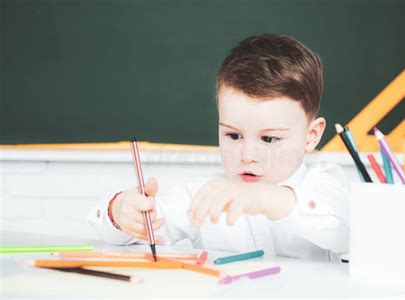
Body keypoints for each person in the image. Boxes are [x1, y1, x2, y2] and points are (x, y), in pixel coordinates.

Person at [88, 33, 349, 261]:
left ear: (311, 136)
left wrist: (268, 199)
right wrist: (121, 213)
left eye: (269, 139)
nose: (248, 156)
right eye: (234, 136)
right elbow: (136, 230)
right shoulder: (202, 195)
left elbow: (346, 235)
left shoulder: (323, 183)